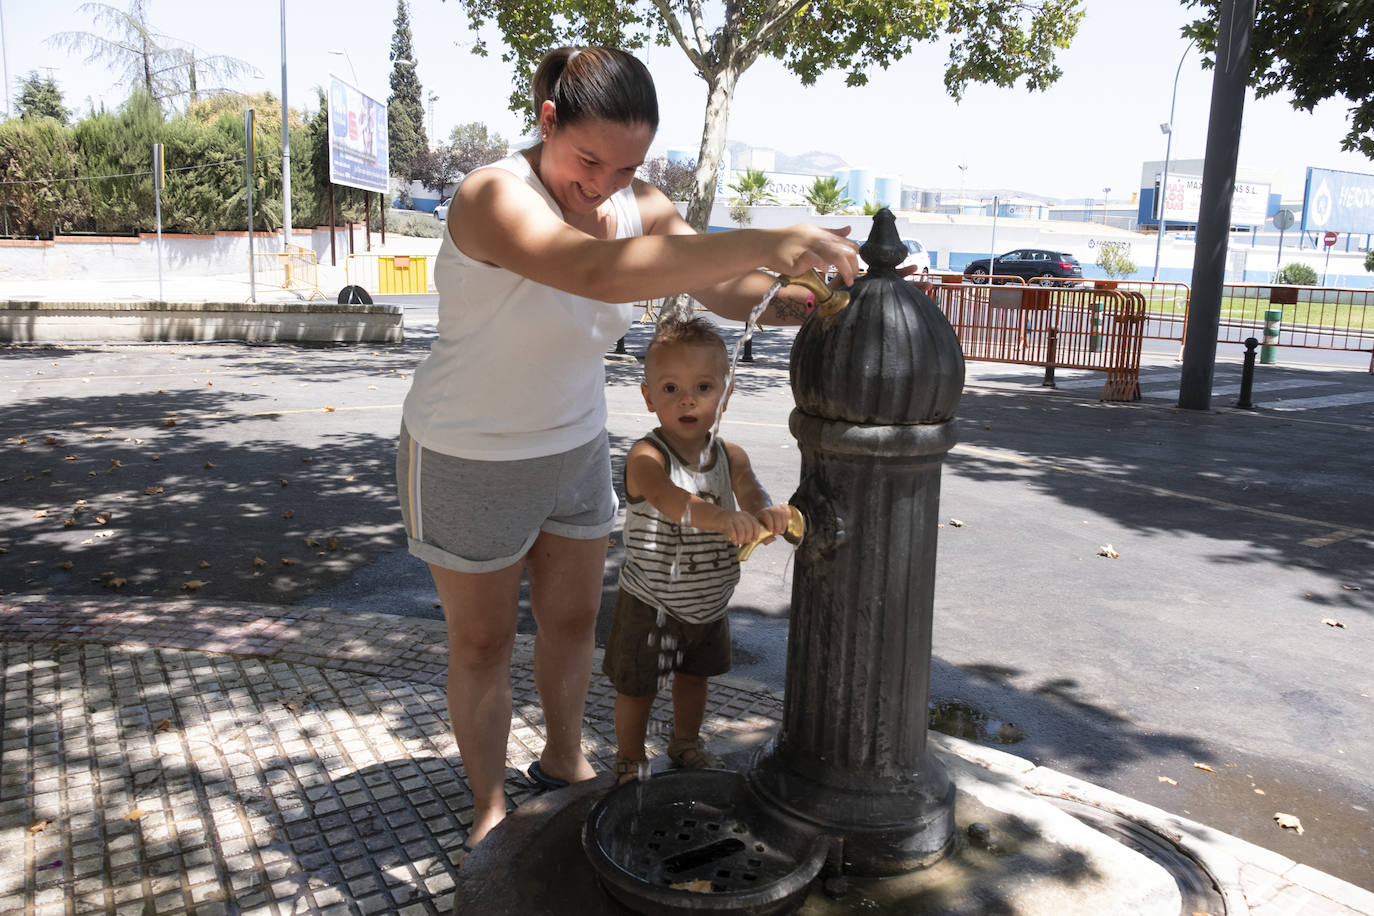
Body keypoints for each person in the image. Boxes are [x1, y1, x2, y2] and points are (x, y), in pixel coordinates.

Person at [394, 45, 858, 858]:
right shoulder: (494, 194)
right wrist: (760, 238)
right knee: (483, 642)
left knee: (575, 621)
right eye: (588, 160)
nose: (607, 182)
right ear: (547, 122)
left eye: (628, 165)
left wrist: (814, 296)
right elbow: (602, 273)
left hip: (572, 443)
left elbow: (724, 288)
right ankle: (489, 805)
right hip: (467, 449)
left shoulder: (637, 201)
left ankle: (565, 761)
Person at [603, 317, 793, 783]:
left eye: (703, 386)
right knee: (638, 686)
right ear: (648, 397)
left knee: (694, 678)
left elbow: (751, 491)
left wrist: (765, 514)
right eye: (670, 388)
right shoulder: (646, 457)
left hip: (708, 602)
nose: (687, 399)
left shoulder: (732, 455)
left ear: (725, 395)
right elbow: (671, 500)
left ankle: (686, 742)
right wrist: (723, 519)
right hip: (652, 602)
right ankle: (629, 757)